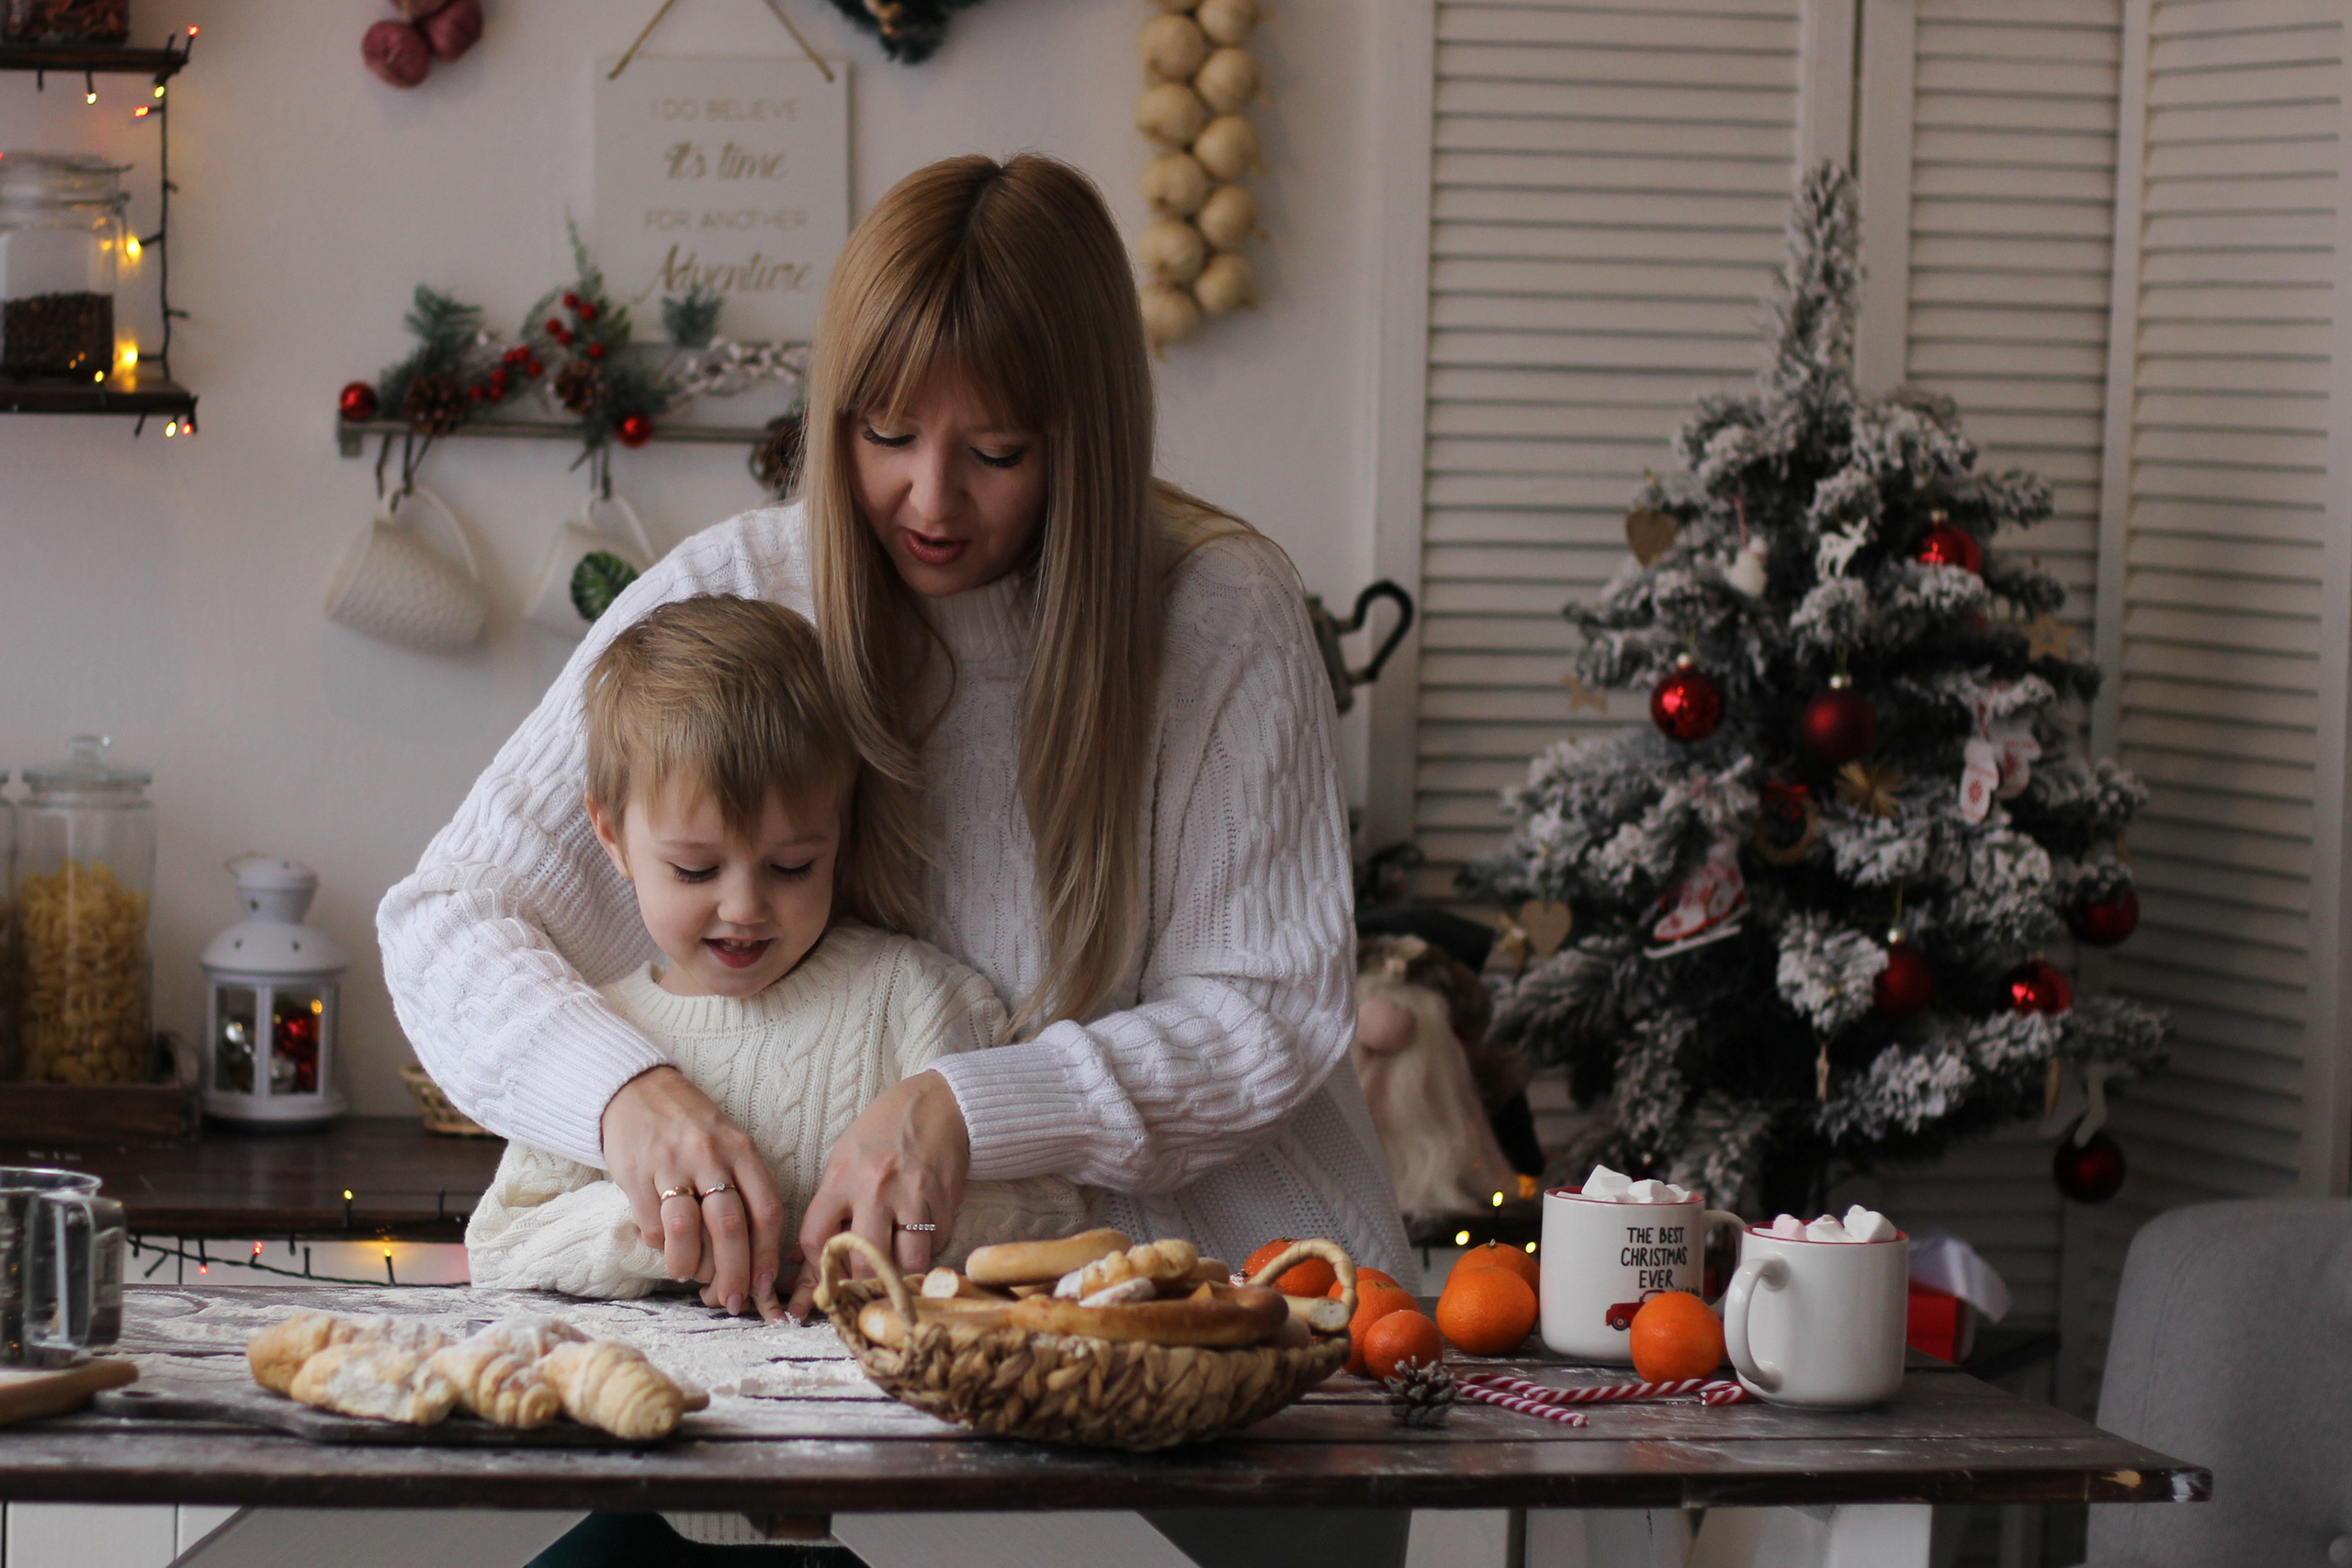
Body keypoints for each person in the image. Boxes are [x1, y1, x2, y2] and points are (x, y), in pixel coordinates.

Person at [379, 151, 1413, 1324]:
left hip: (1249, 1309)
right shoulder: (743, 586)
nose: (930, 500)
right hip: (891, 1357)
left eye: (997, 454)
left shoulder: (1221, 615)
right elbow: (448, 923)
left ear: (1087, 441)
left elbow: (1267, 1017)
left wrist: (972, 1106)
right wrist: (623, 1094)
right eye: (886, 434)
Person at [465, 594, 1088, 1305]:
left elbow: (1055, 1215)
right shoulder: (599, 1036)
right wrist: (663, 1226)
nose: (744, 908)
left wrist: (896, 1234)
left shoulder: (920, 1001)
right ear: (611, 836)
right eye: (695, 870)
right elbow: (500, 1244)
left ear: (839, 831)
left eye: (791, 865)